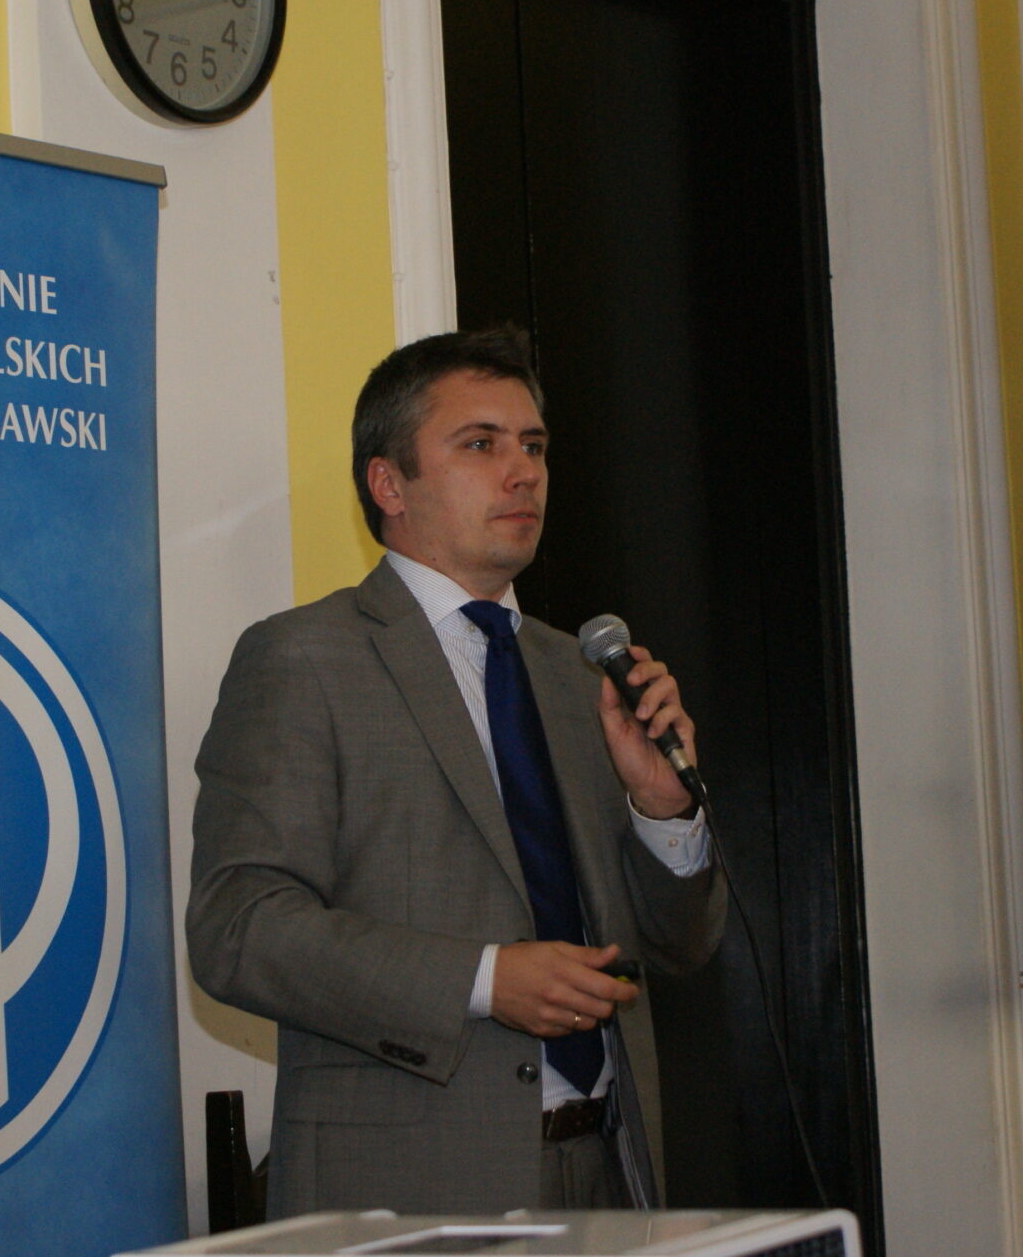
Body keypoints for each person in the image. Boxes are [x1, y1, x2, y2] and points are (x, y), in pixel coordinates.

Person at [188, 328, 727, 1216]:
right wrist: (483, 981)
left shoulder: (583, 676)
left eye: (534, 447)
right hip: (410, 1189)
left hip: (609, 1173)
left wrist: (663, 810)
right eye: (480, 445)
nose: (523, 474)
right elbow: (237, 928)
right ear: (388, 484)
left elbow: (678, 946)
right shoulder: (305, 660)